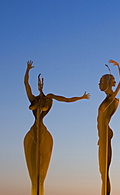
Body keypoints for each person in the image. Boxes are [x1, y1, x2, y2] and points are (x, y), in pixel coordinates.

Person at [24, 60, 89, 195]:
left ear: (44, 84)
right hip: (32, 132)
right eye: (38, 84)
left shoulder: (49, 98)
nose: (40, 86)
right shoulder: (33, 99)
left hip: (43, 132)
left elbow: (66, 99)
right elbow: (26, 84)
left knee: (41, 172)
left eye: (42, 83)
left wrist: (81, 97)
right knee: (33, 172)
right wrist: (28, 70)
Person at [98, 60, 120, 195]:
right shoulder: (107, 99)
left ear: (107, 83)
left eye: (101, 81)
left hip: (106, 134)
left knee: (104, 171)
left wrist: (118, 67)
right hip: (102, 135)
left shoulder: (112, 98)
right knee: (102, 171)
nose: (99, 84)